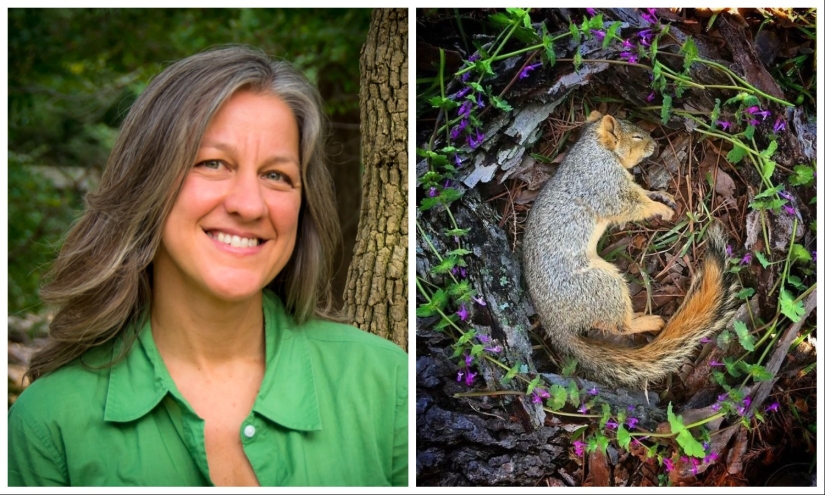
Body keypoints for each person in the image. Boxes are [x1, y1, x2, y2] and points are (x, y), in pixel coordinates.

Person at [7, 46, 408, 487]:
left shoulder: (387, 386)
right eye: (213, 164)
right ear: (149, 182)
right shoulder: (47, 427)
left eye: (276, 175)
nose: (249, 205)